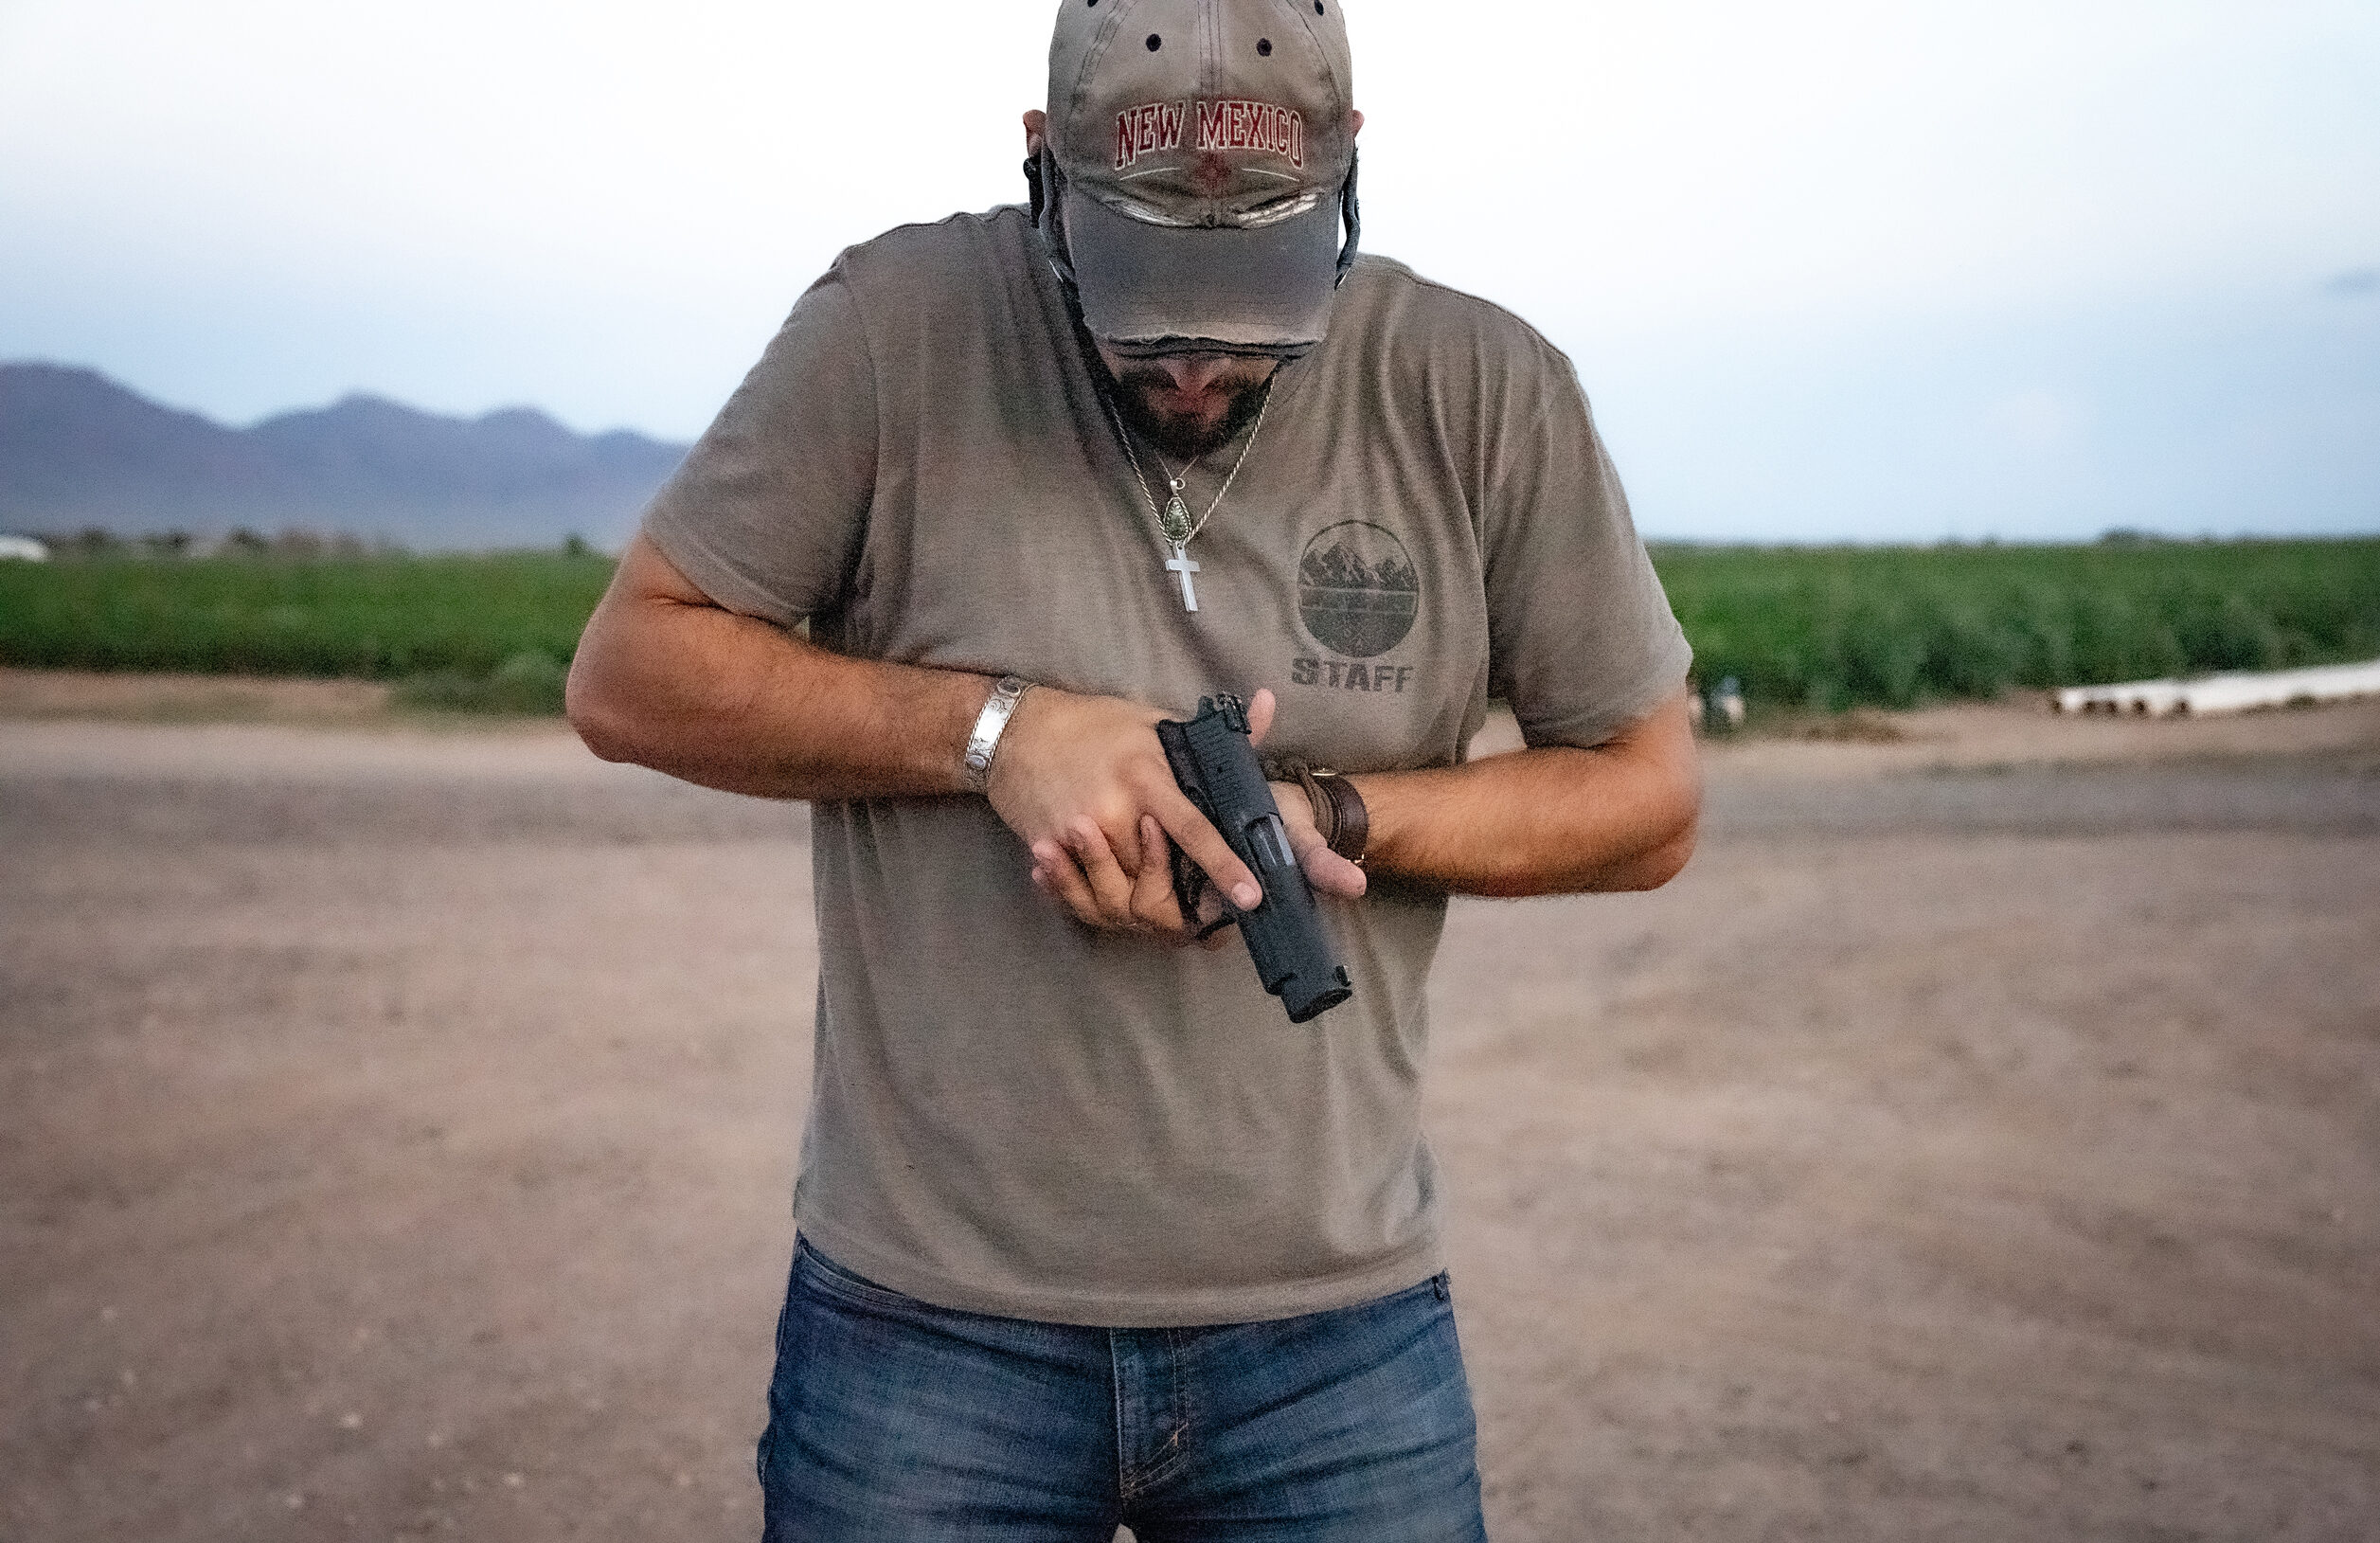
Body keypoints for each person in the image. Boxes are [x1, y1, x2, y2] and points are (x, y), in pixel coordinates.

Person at [566, 0, 1700, 1535]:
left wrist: (1326, 818)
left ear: (1348, 163)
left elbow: (1645, 796)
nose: (1191, 368)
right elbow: (629, 672)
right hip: (928, 1318)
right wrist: (1001, 735)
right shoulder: (893, 329)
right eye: (1146, 303)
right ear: (1043, 164)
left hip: (1334, 1334)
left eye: (1248, 308)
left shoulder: (1481, 385)